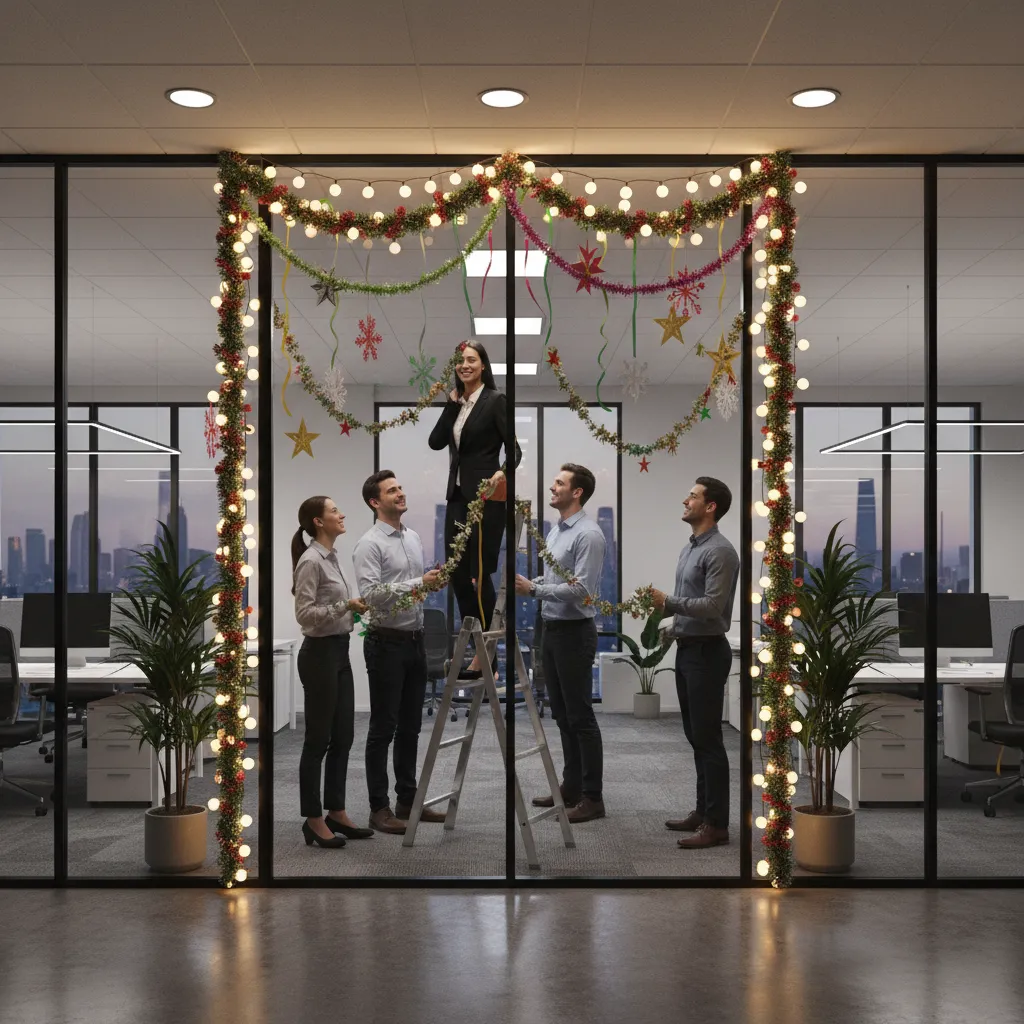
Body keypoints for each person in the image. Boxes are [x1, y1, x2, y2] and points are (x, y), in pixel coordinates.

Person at [353, 470, 445, 835]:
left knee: (410, 729)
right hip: (385, 643)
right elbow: (372, 594)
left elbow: (411, 592)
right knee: (383, 730)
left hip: (414, 641)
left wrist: (430, 583)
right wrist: (416, 583)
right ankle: (379, 808)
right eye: (392, 491)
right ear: (375, 502)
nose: (400, 493)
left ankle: (409, 801)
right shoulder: (369, 544)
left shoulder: (414, 538)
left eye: (401, 488)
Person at [515, 464, 607, 823]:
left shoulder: (589, 535)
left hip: (574, 633)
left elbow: (583, 591)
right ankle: (571, 787)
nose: (552, 488)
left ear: (577, 492)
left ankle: (592, 797)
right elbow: (557, 577)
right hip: (551, 630)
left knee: (581, 716)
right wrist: (533, 581)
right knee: (562, 715)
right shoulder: (557, 532)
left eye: (559, 483)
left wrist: (533, 590)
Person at [651, 476, 740, 850]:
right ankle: (704, 811)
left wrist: (668, 603)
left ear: (711, 506)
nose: (685, 500)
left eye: (693, 495)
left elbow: (714, 608)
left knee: (708, 741)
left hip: (707, 654)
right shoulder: (691, 548)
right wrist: (674, 627)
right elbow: (696, 605)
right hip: (688, 649)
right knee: (696, 738)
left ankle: (717, 824)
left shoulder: (719, 551)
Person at [428, 340, 521, 676]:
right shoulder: (459, 403)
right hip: (456, 497)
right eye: (460, 361)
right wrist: (451, 405)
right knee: (456, 572)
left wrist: (501, 473)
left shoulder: (495, 400)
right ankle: (485, 653)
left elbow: (515, 453)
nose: (464, 365)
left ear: (483, 365)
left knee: (479, 574)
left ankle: (488, 657)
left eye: (471, 360)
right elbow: (436, 441)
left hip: (485, 497)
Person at [291, 495, 374, 849]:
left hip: (339, 652)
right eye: (334, 511)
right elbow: (305, 615)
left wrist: (353, 610)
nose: (341, 515)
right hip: (319, 655)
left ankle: (336, 812)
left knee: (343, 737)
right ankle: (312, 818)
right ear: (318, 522)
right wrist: (346, 605)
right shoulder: (311, 561)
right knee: (318, 740)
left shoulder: (333, 557)